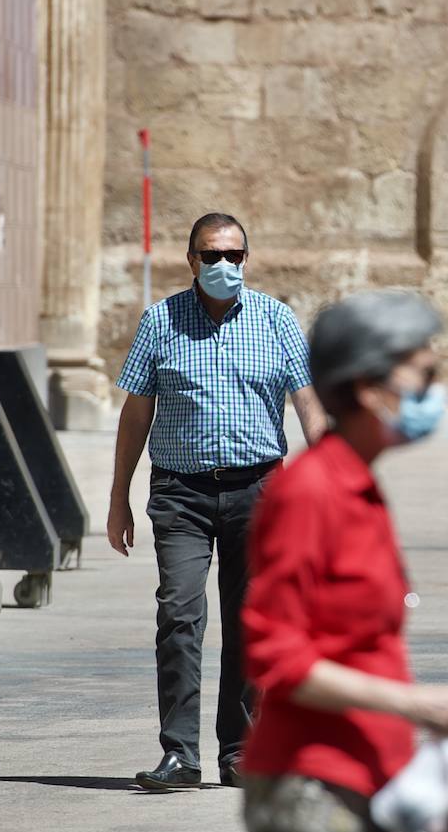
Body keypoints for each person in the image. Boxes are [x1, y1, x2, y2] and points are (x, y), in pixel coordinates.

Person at [241, 291, 448, 832]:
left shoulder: (360, 484)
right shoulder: (309, 491)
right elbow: (276, 656)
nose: (435, 391)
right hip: (314, 784)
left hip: (381, 771)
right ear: (370, 389)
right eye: (424, 375)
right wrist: (413, 703)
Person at [108, 212, 326, 790]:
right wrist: (118, 497)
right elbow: (136, 412)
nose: (223, 264)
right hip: (180, 492)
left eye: (233, 255)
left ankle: (240, 751)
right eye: (211, 255)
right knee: (179, 613)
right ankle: (180, 754)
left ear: (246, 260)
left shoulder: (276, 319)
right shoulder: (161, 320)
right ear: (192, 260)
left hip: (260, 490)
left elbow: (308, 403)